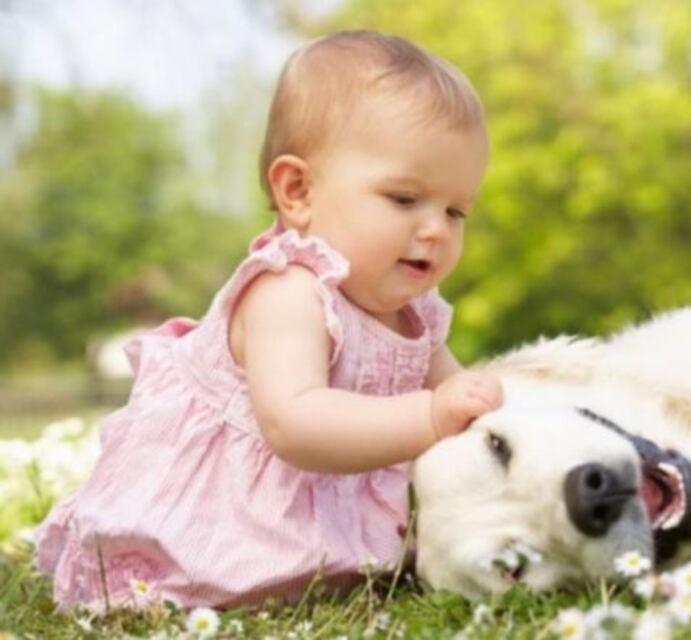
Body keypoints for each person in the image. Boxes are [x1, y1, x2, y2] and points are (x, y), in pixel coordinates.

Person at [34, 30, 503, 611]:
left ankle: (342, 561)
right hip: (227, 511)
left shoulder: (417, 314)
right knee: (190, 581)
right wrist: (432, 415)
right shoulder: (288, 290)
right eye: (405, 199)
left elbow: (463, 398)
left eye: (456, 210)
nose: (436, 229)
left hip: (319, 511)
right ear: (298, 191)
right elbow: (296, 423)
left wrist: (488, 413)